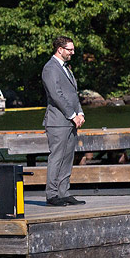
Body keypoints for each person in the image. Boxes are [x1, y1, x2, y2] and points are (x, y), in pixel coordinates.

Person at [42, 36, 85, 206]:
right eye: (70, 49)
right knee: (57, 158)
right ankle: (52, 195)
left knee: (68, 157)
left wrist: (80, 113)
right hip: (58, 122)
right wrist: (72, 115)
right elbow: (56, 95)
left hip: (71, 121)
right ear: (60, 49)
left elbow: (72, 94)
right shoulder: (50, 68)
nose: (72, 52)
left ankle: (63, 192)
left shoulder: (66, 68)